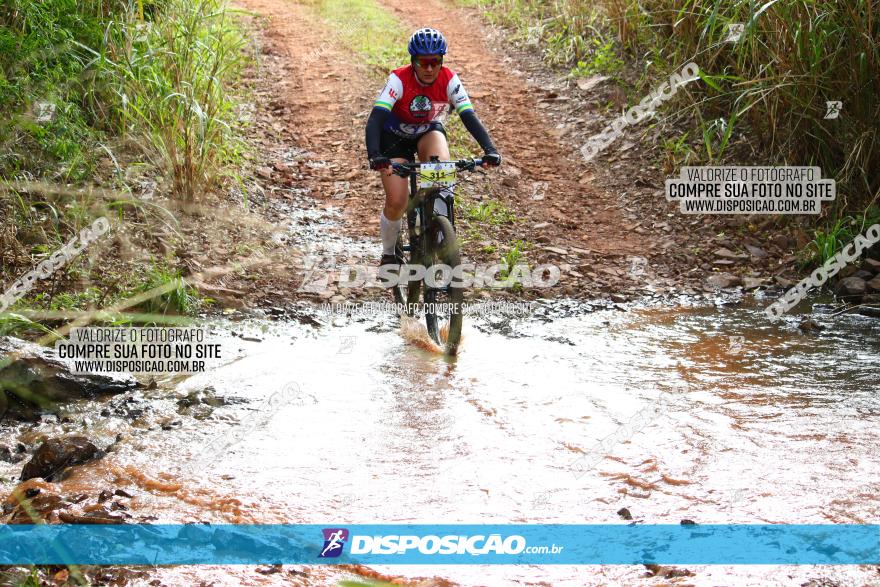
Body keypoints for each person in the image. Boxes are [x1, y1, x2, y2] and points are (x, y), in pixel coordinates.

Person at [364, 27, 502, 270]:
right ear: (413, 61)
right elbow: (376, 118)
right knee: (397, 201)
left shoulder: (450, 80)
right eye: (423, 62)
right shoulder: (398, 79)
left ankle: (440, 232)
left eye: (435, 62)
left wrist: (489, 149)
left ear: (441, 61)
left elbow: (469, 116)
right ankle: (388, 254)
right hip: (394, 138)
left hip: (427, 132)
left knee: (442, 174)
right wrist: (375, 154)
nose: (429, 68)